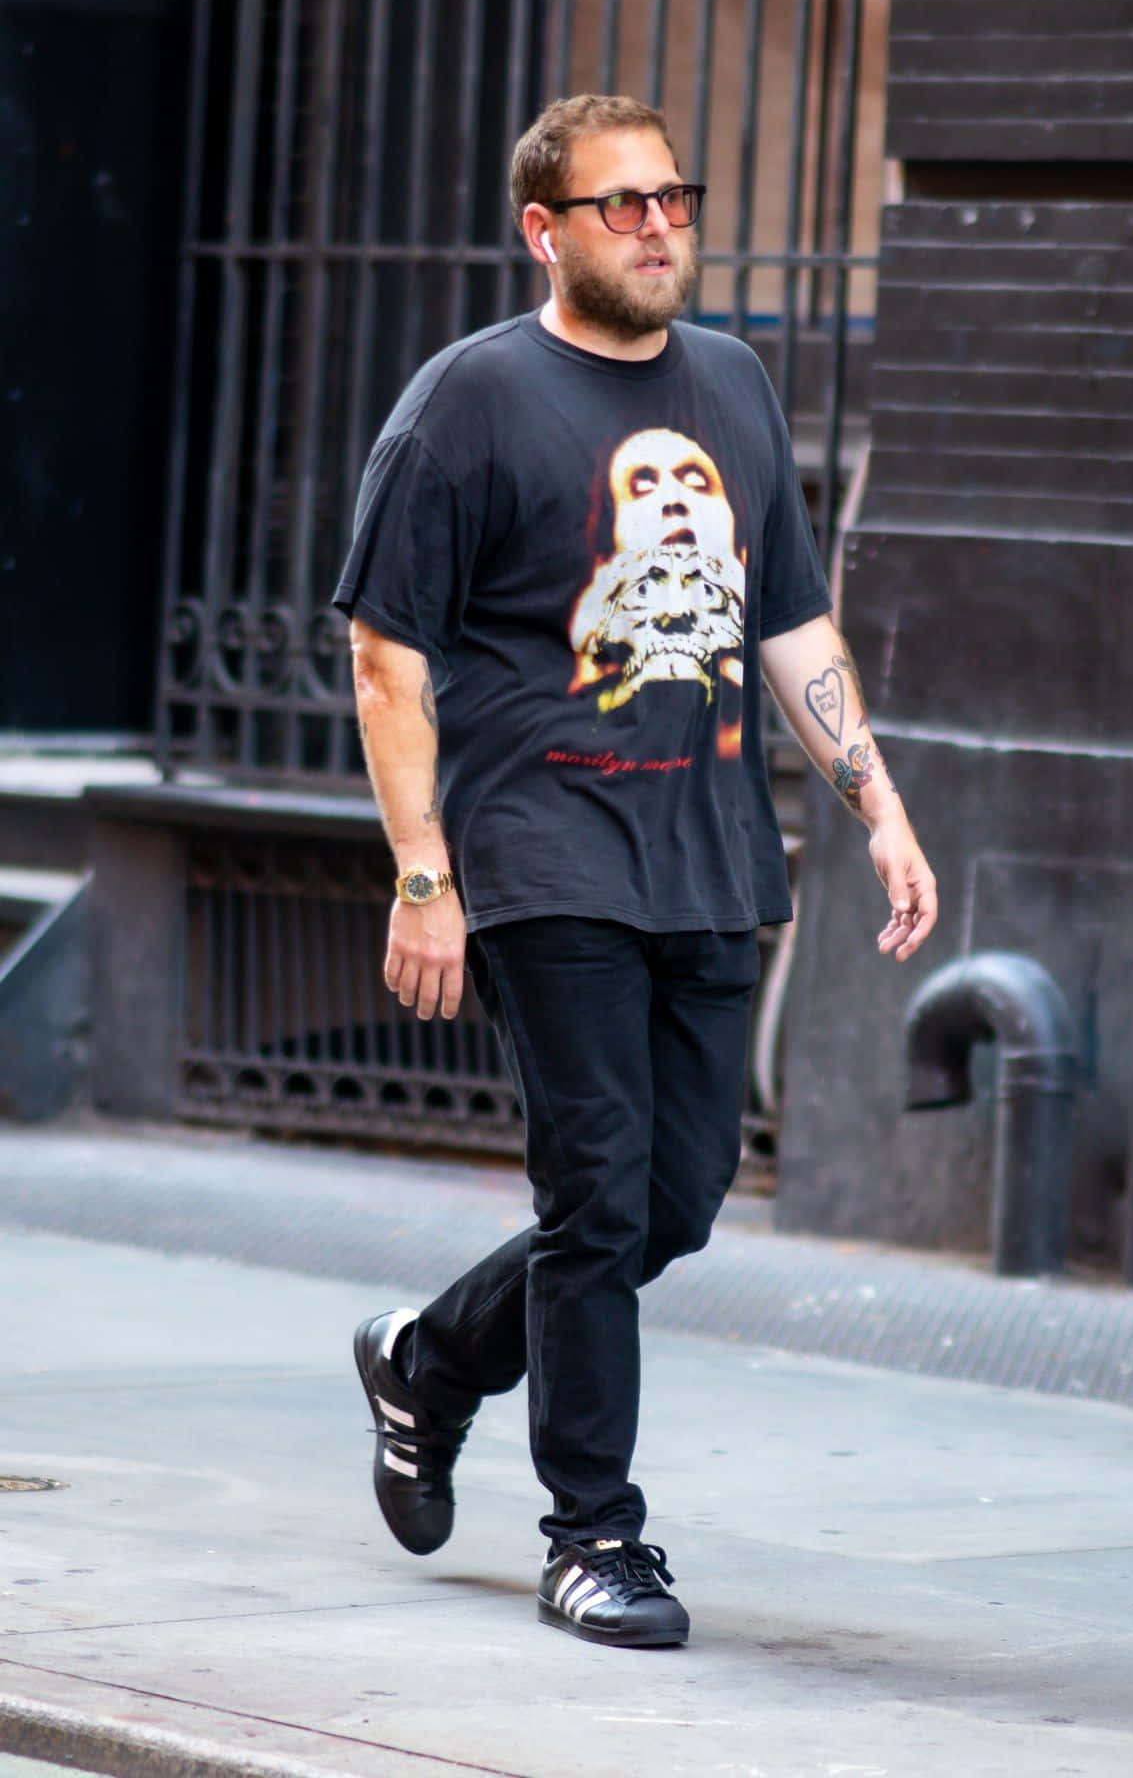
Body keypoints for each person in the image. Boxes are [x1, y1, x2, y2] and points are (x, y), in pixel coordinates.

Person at [334, 93, 937, 1650]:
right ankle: (594, 1536)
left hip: (714, 851)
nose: (663, 224)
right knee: (595, 1194)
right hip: (545, 851)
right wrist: (424, 874)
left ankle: (429, 1358)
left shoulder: (732, 384)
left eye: (675, 196)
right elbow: (386, 652)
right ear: (547, 228)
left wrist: (876, 803)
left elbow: (788, 620)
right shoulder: (469, 402)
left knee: (670, 1205)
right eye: (624, 204)